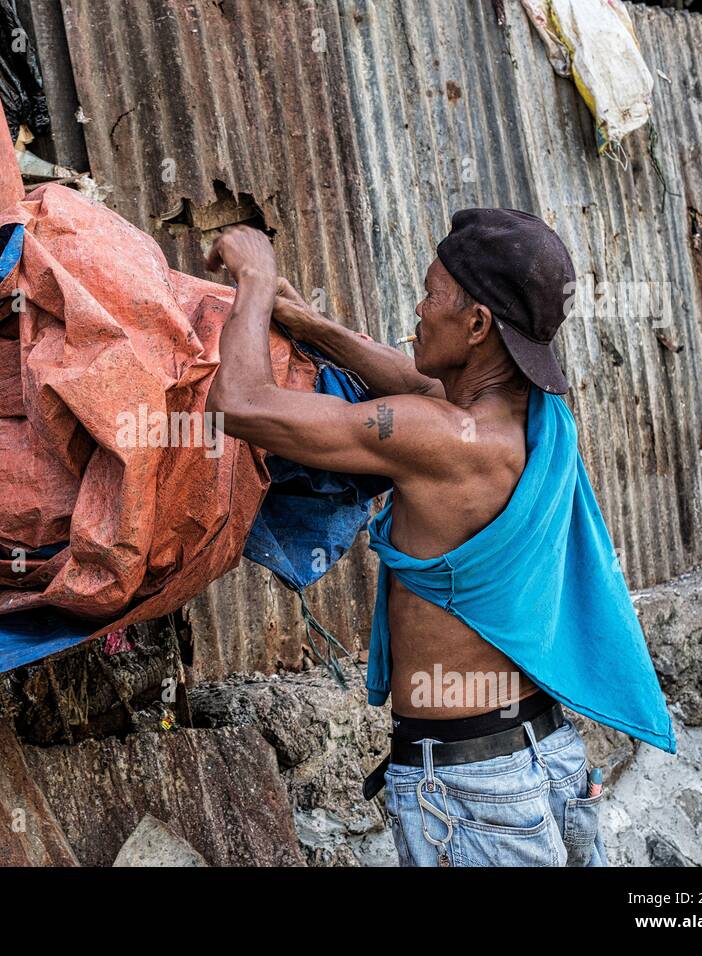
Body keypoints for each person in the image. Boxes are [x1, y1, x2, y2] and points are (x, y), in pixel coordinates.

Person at [204, 209, 675, 867]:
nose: (418, 311)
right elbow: (420, 383)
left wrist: (255, 279)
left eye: (431, 294)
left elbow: (242, 404)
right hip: (547, 761)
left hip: (473, 793)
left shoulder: (440, 439)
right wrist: (311, 325)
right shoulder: (536, 418)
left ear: (478, 324)